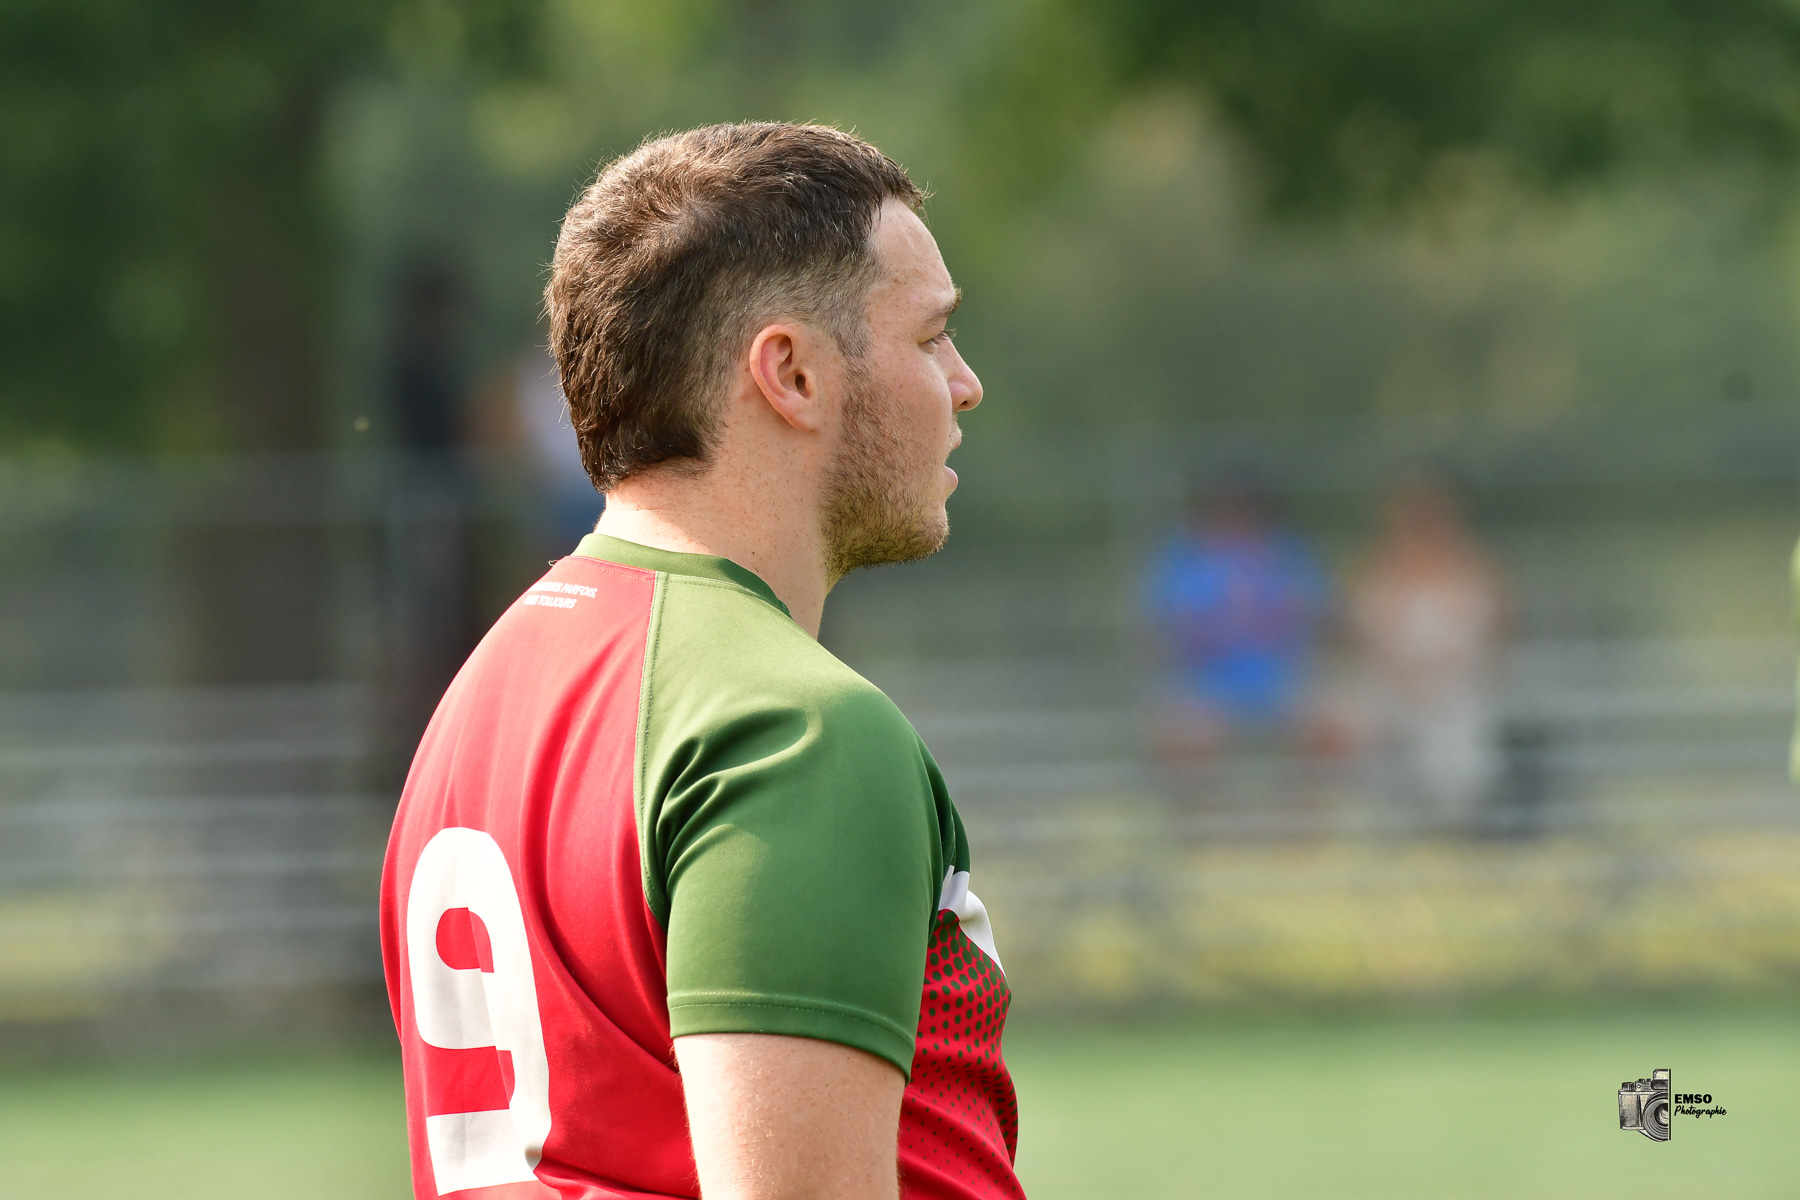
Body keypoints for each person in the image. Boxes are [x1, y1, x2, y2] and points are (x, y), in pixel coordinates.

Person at [379, 123, 1019, 1200]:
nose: (965, 385)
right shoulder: (791, 727)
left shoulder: (484, 691)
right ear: (792, 374)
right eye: (931, 337)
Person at [1349, 477, 1508, 826]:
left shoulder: (1473, 571)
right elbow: (1367, 636)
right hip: (1390, 685)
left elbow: (1485, 638)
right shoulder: (1379, 572)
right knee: (1352, 725)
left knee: (1458, 749)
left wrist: (1438, 674)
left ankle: (1456, 821)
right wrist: (1403, 675)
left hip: (1454, 687)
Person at [1143, 476, 1329, 762]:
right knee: (1183, 734)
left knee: (1327, 728)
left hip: (1283, 680)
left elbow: (1315, 614)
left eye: (1244, 504)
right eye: (1225, 504)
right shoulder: (1184, 555)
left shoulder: (1286, 550)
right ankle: (1203, 806)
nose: (1235, 513)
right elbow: (1167, 627)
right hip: (1204, 682)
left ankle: (1301, 805)